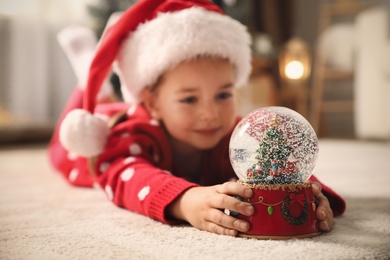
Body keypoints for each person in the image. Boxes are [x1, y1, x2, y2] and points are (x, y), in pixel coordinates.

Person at [48, 0, 345, 237]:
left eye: (223, 95)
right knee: (79, 128)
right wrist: (186, 201)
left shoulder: (235, 136)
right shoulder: (131, 136)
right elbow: (129, 176)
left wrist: (312, 194)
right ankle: (89, 80)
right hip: (100, 135)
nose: (211, 114)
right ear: (152, 104)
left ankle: (96, 83)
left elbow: (277, 164)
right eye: (189, 99)